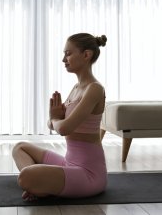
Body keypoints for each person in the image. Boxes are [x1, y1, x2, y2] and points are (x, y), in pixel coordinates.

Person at [12, 33, 108, 200]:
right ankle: (38, 186)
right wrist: (54, 119)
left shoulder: (94, 89)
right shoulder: (76, 88)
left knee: (26, 176)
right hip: (68, 163)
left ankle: (36, 184)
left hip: (88, 174)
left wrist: (55, 119)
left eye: (68, 54)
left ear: (86, 55)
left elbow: (63, 128)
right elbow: (53, 124)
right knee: (19, 147)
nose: (64, 59)